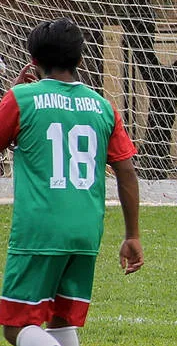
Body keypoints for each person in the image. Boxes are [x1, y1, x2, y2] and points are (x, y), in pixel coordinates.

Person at [0, 18, 144, 346]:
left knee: (16, 328)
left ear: (33, 61)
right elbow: (127, 172)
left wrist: (14, 90)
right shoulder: (103, 107)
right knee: (61, 323)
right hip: (86, 232)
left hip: (39, 231)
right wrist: (132, 234)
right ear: (81, 60)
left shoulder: (22, 99)